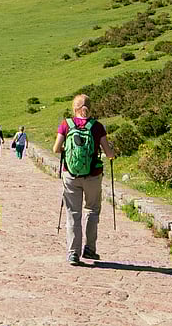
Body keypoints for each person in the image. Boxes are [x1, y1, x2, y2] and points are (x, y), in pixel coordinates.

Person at [52, 94, 116, 266]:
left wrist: (69, 151)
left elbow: (56, 149)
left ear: (74, 108)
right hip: (93, 175)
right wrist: (111, 154)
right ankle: (90, 249)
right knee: (92, 210)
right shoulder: (97, 127)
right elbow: (109, 154)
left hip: (70, 175)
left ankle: (73, 253)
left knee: (73, 213)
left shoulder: (66, 124)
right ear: (90, 107)